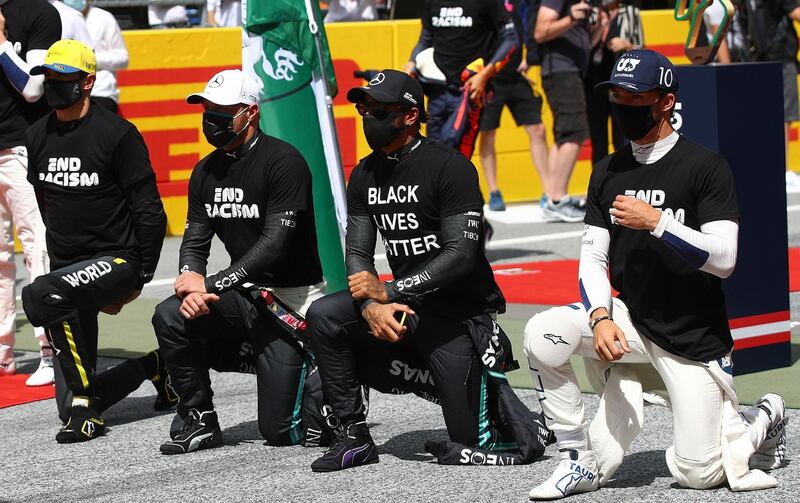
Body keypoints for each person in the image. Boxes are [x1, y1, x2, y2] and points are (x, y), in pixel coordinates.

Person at [523, 49, 787, 499]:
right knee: (542, 333)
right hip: (630, 319)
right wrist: (601, 316)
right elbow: (593, 257)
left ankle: (764, 417)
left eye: (635, 96)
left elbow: (725, 259)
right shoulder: (607, 169)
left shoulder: (706, 166)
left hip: (691, 335)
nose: (623, 105)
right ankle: (576, 460)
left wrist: (659, 222)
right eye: (617, 95)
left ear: (665, 101)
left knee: (698, 475)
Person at [307, 70, 552, 473]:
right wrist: (371, 303)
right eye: (364, 108)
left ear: (408, 116)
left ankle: (468, 390)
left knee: (468, 443)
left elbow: (462, 254)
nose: (368, 117)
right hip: (404, 307)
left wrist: (391, 291)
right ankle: (353, 434)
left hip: (457, 316)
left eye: (379, 109)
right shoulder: (364, 173)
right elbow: (357, 253)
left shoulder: (449, 168)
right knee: (324, 315)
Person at [152, 69, 332, 455]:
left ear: (250, 112)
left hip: (291, 298)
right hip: (243, 295)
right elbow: (195, 239)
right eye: (207, 110)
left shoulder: (284, 162)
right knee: (170, 315)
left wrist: (212, 285)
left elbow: (274, 246)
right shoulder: (205, 170)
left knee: (281, 432)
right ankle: (198, 417)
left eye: (222, 111)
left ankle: (318, 365)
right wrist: (190, 279)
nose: (211, 120)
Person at [21, 39, 173, 443]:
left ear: (87, 82)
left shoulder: (117, 134)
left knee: (42, 294)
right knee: (66, 402)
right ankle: (155, 367)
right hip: (66, 271)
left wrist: (138, 277)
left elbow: (149, 212)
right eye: (47, 77)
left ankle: (88, 410)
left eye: (62, 78)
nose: (52, 84)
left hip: (116, 260)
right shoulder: (36, 135)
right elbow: (45, 201)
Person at [0, 0, 59, 385]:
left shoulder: (38, 11)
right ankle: (4, 354)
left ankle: (50, 352)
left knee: (36, 248)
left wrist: (2, 41)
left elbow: (34, 87)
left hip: (21, 148)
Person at [404, 0, 517, 159]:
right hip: (436, 91)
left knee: (457, 159)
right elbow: (425, 39)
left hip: (469, 91)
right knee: (432, 155)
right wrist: (411, 62)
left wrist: (484, 75)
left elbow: (511, 39)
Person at [534, 0, 603, 222]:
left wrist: (601, 25)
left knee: (564, 134)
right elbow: (540, 32)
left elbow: (587, 44)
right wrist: (571, 18)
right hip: (561, 72)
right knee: (575, 132)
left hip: (571, 72)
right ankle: (557, 199)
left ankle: (552, 197)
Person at [478, 0, 549, 212]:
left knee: (538, 129)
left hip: (517, 74)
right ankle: (493, 191)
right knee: (487, 133)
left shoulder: (520, 3)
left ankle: (549, 191)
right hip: (491, 76)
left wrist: (530, 58)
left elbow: (530, 27)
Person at [740, 0, 800, 193]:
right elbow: (796, 13)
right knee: (785, 115)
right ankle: (783, 170)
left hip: (759, 56)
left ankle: (774, 168)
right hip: (780, 56)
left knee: (768, 116)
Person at [584, 0, 643, 165]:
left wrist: (627, 45)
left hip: (623, 86)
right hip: (595, 85)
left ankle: (625, 179)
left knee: (622, 136)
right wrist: (600, 27)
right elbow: (584, 47)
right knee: (598, 139)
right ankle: (600, 183)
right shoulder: (592, 13)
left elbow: (643, 49)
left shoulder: (631, 13)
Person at [65, 0, 129, 114]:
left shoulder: (104, 18)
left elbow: (123, 59)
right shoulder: (61, 16)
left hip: (101, 93)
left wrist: (89, 60)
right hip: (68, 92)